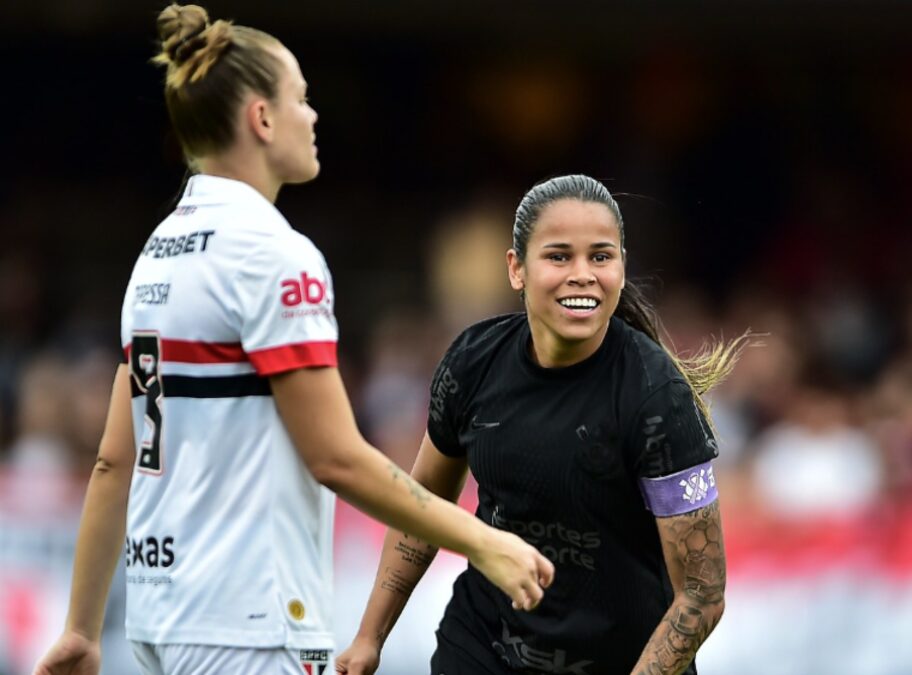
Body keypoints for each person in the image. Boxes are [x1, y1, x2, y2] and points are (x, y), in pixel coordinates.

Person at [33, 5, 553, 675]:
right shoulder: (275, 256)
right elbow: (334, 457)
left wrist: (81, 626)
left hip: (163, 623)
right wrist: (482, 540)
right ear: (261, 118)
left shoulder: (157, 255)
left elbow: (114, 458)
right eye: (301, 98)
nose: (313, 117)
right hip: (252, 624)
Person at [336, 174, 747, 675]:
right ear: (517, 269)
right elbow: (422, 503)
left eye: (601, 256)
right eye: (558, 256)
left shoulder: (658, 398)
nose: (583, 274)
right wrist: (368, 637)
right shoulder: (473, 362)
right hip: (481, 648)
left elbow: (702, 596)